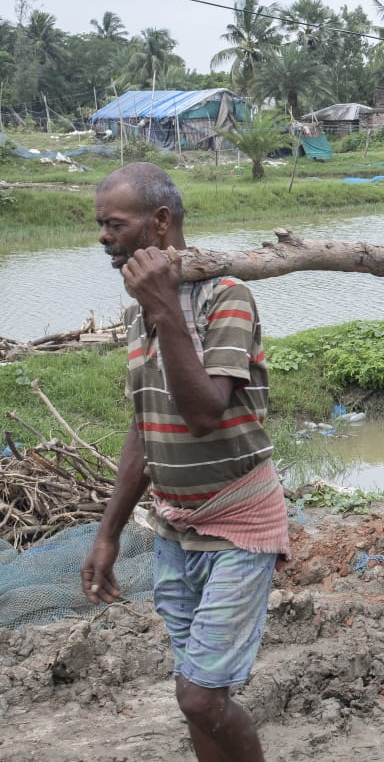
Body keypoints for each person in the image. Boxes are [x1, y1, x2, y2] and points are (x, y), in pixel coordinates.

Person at [81, 162, 288, 762]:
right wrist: (108, 534)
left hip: (238, 524)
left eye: (113, 225)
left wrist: (167, 307)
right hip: (175, 526)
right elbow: (146, 428)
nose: (102, 237)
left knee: (201, 698)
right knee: (193, 690)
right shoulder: (138, 313)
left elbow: (204, 413)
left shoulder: (226, 296)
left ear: (160, 223)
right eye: (100, 225)